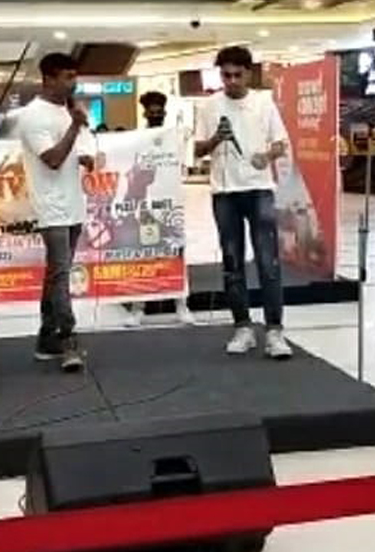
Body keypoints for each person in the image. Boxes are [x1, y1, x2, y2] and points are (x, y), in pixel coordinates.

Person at [194, 45, 292, 359]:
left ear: (249, 73)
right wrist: (215, 139)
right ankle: (243, 327)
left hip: (259, 189)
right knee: (232, 262)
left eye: (238, 75)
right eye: (226, 75)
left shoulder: (264, 102)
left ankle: (274, 331)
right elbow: (197, 150)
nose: (232, 81)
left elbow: (281, 143)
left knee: (268, 261)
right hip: (225, 193)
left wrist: (267, 156)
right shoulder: (209, 106)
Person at [17, 53, 94, 372]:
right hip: (50, 206)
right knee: (61, 275)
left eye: (75, 76)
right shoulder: (32, 115)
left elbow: (72, 153)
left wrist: (85, 157)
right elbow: (51, 159)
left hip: (72, 202)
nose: (72, 83)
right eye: (67, 77)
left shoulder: (67, 110)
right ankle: (68, 338)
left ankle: (46, 339)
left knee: (55, 275)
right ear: (48, 79)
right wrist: (75, 126)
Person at [124, 91, 194, 326]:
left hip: (171, 203)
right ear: (145, 113)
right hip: (147, 205)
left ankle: (181, 304)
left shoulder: (175, 137)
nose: (155, 115)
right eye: (151, 112)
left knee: (176, 252)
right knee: (144, 255)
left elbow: (186, 158)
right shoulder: (139, 139)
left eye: (159, 112)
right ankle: (138, 308)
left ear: (164, 112)